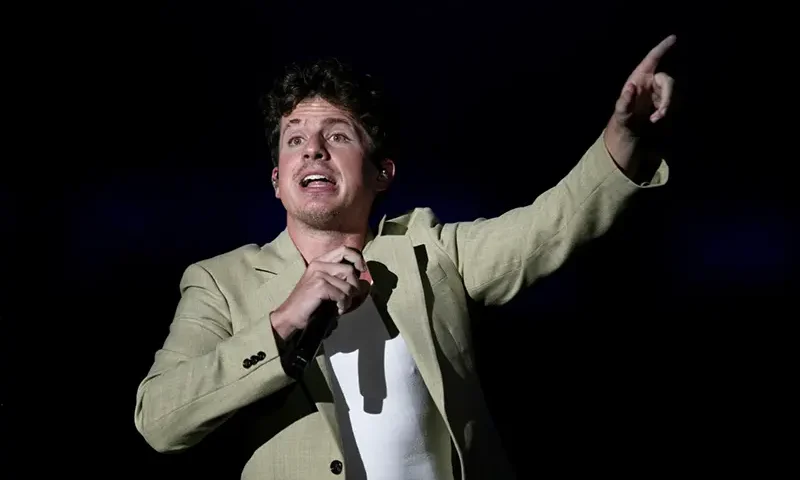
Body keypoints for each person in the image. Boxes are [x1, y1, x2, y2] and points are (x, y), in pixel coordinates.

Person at [134, 35, 676, 479]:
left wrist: (622, 142)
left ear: (381, 173)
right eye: (294, 139)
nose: (312, 148)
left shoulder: (428, 249)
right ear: (277, 180)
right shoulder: (221, 282)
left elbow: (549, 226)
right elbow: (159, 418)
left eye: (336, 135)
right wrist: (282, 322)